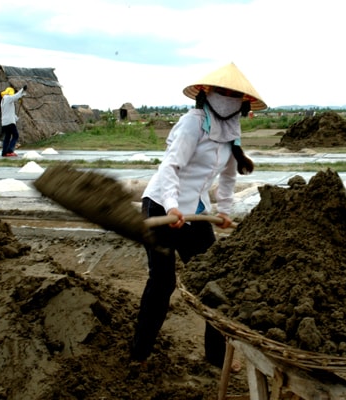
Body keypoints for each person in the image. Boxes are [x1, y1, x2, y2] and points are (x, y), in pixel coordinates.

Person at [130, 63, 267, 369]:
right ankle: (139, 353)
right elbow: (171, 167)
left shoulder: (232, 130)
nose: (229, 98)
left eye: (235, 95)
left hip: (197, 213)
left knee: (214, 283)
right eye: (224, 92)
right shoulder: (193, 123)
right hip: (162, 207)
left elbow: (229, 178)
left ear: (243, 103)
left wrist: (224, 212)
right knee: (163, 282)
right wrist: (171, 205)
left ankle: (216, 357)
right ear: (208, 93)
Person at [0, 85, 26, 157]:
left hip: (5, 122)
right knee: (15, 135)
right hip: (9, 122)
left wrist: (15, 118)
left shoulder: (3, 101)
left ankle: (4, 152)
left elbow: (9, 112)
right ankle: (10, 150)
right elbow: (15, 96)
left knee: (7, 137)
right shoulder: (8, 98)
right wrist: (22, 90)